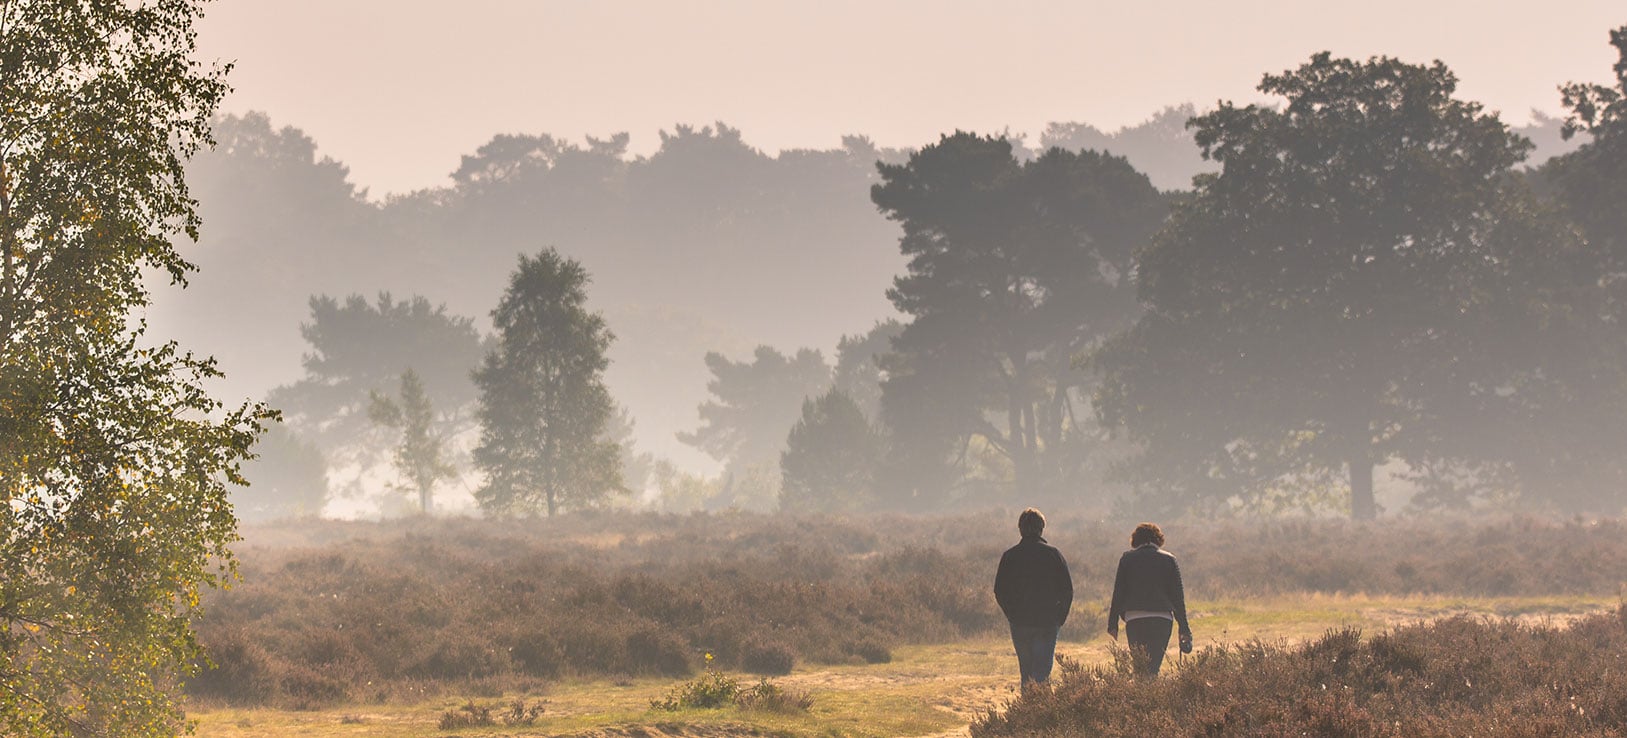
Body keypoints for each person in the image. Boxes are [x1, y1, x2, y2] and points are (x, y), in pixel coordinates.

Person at [993, 507, 1074, 687]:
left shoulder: (1010, 556)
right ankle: (1040, 712)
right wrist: (1059, 617)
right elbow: (1067, 590)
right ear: (1041, 528)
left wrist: (1011, 614)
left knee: (1026, 672)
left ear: (1020, 528)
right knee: (1042, 674)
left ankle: (1026, 711)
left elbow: (999, 590)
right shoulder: (1053, 554)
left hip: (1020, 622)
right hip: (1047, 622)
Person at [1106, 522, 1192, 677]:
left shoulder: (1127, 559)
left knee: (1140, 667)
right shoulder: (1169, 560)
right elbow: (1178, 597)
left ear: (1135, 540)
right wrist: (1184, 628)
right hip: (1162, 619)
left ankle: (1142, 697)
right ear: (1158, 539)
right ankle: (1151, 697)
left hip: (1135, 619)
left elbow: (1118, 592)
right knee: (1153, 667)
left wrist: (1113, 623)